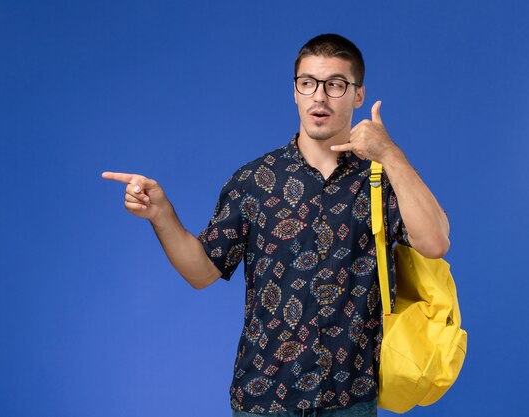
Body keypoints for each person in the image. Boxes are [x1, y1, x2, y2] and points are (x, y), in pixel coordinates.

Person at [102, 34, 449, 417]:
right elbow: (201, 273)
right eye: (308, 83)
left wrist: (390, 153)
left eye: (335, 85)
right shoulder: (254, 180)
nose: (320, 96)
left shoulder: (381, 180)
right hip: (265, 400)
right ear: (295, 92)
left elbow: (434, 242)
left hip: (350, 399)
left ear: (358, 95)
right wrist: (161, 213)